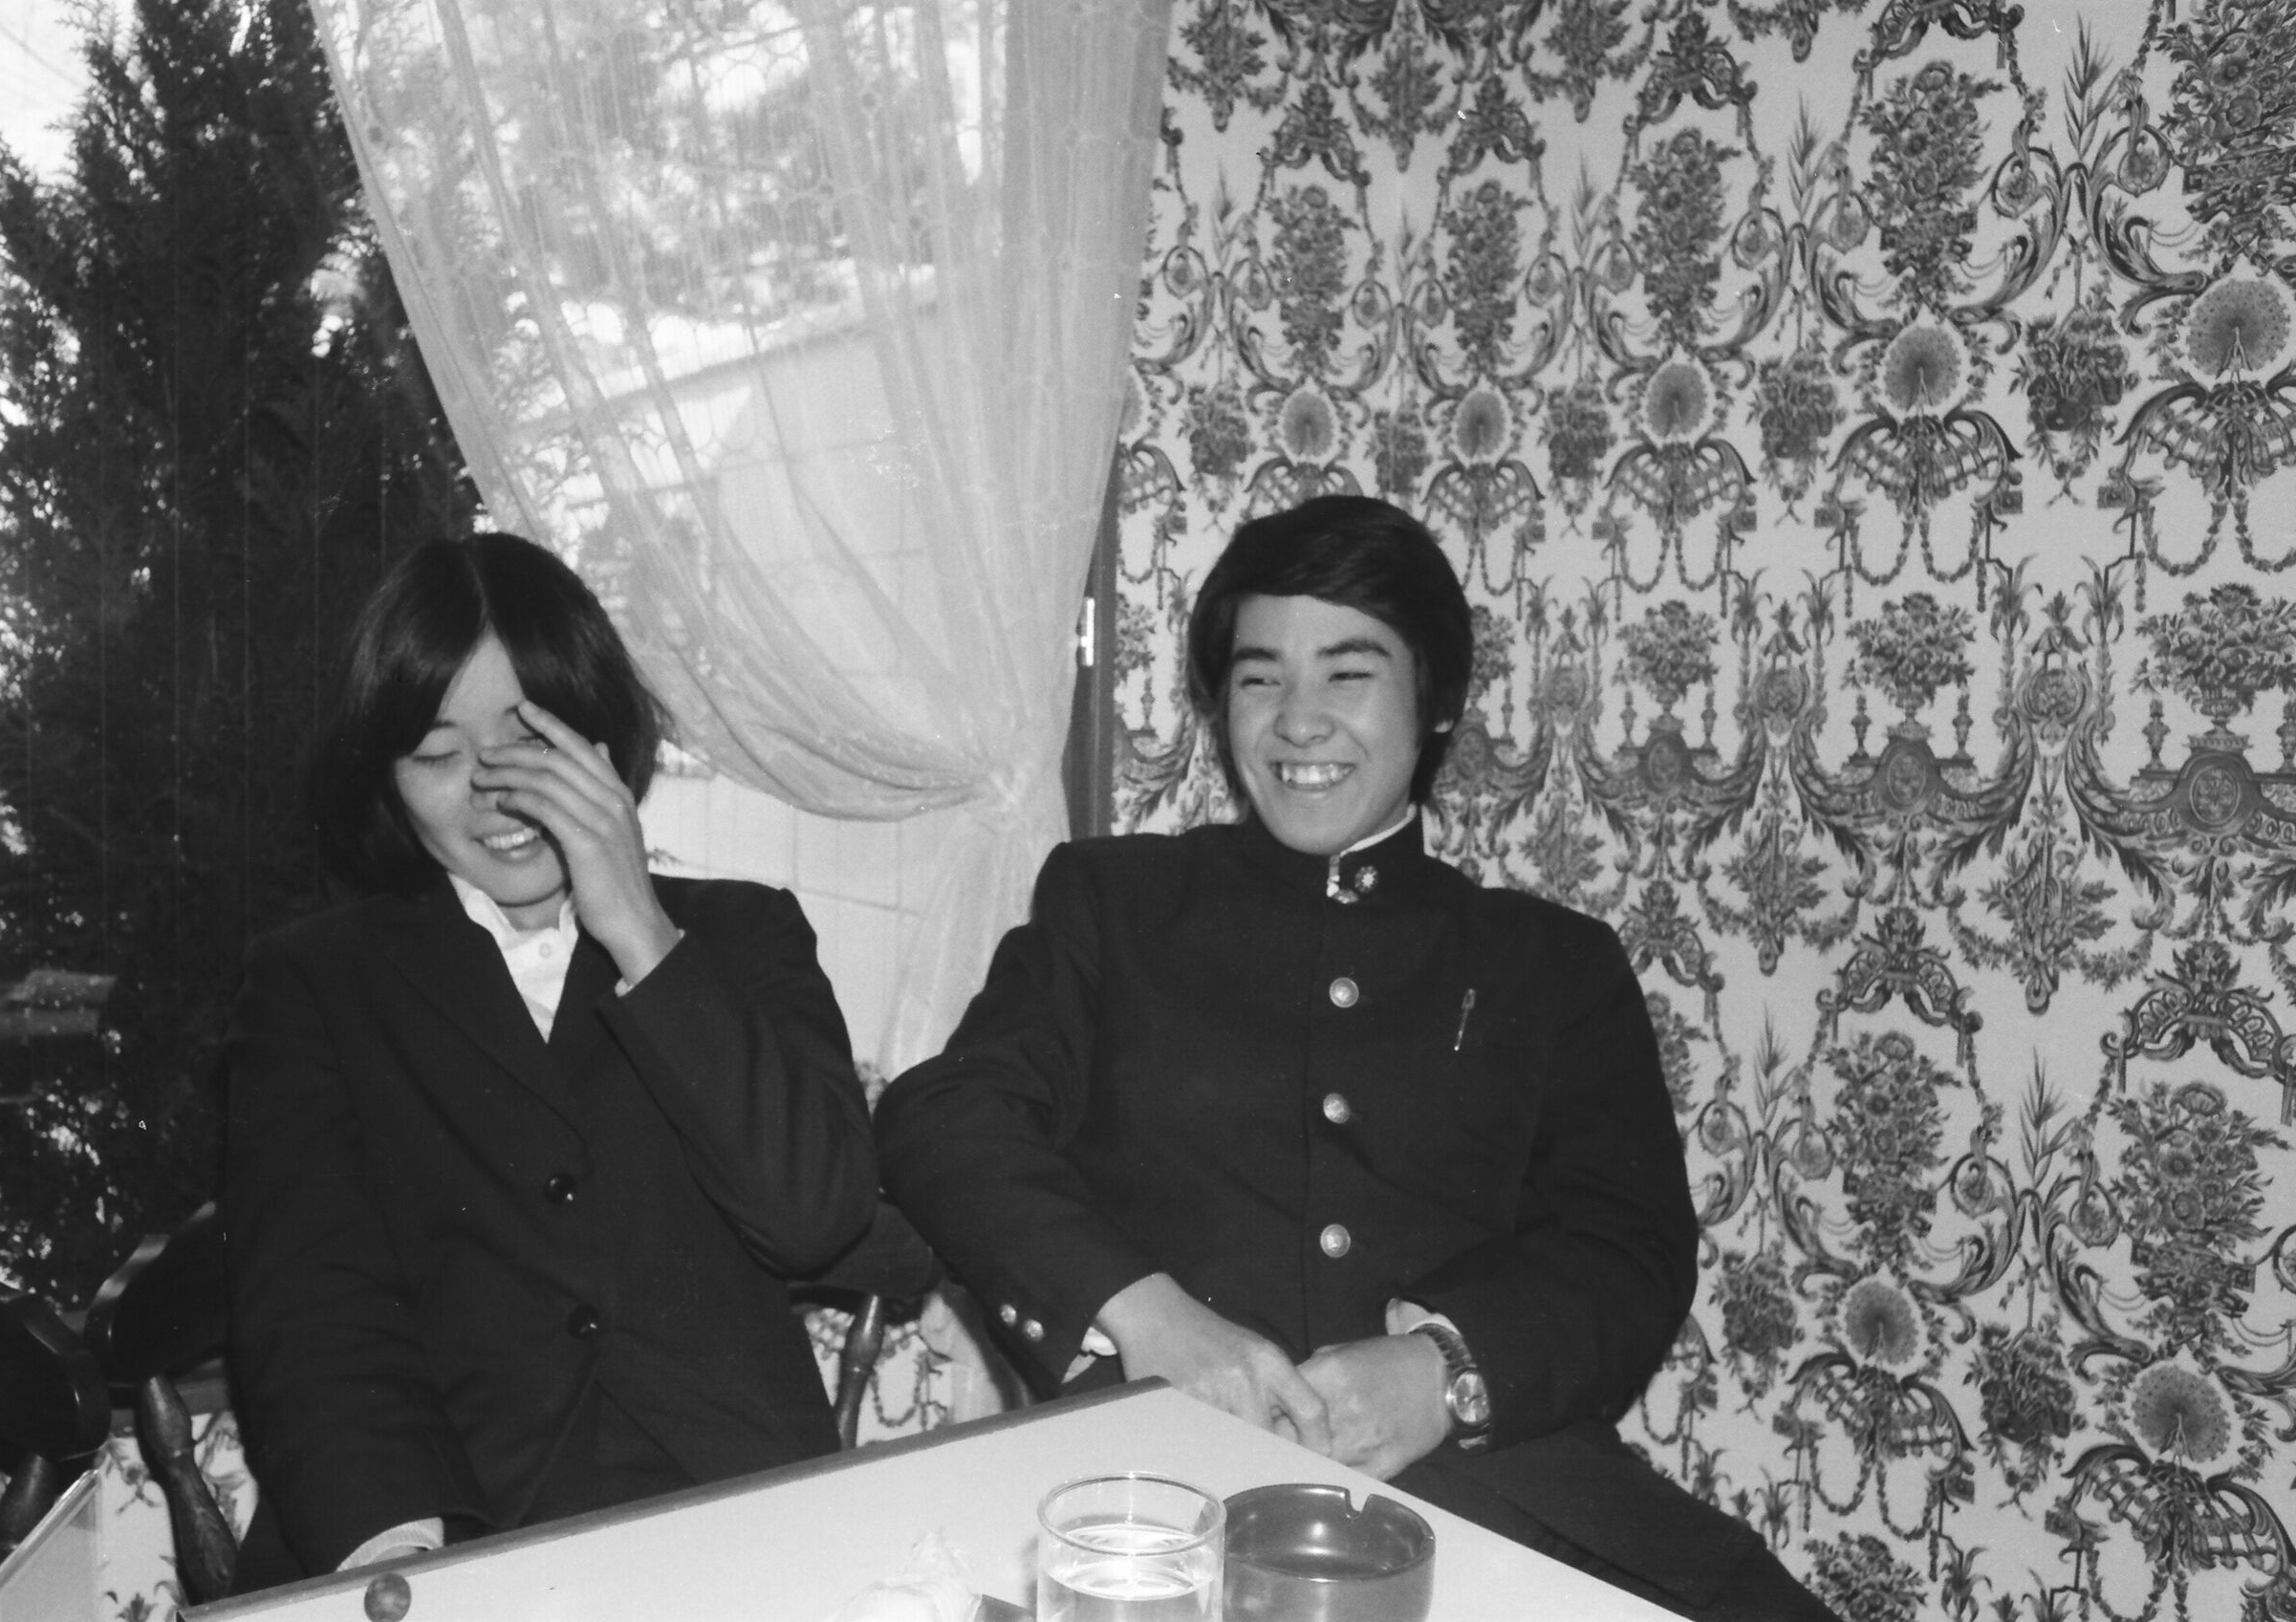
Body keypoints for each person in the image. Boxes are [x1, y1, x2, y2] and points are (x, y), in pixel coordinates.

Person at [875, 496, 1832, 1620]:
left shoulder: (1549, 963)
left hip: (1493, 1492)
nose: (1298, 720)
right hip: (1148, 1490)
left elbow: (1628, 1249)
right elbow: (946, 1118)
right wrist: (1148, 1316)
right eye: (1260, 677)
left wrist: (1445, 1368)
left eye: (1347, 673)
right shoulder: (1114, 902)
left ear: (1433, 700)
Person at [225, 531, 879, 1587]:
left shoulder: (743, 935)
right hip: (453, 1527)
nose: (496, 794)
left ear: (602, 732)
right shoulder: (315, 982)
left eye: (530, 740)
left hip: (732, 1519)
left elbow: (818, 1215)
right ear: (385, 779)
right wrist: (402, 1558)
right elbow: (315, 1313)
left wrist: (641, 932)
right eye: (436, 755)